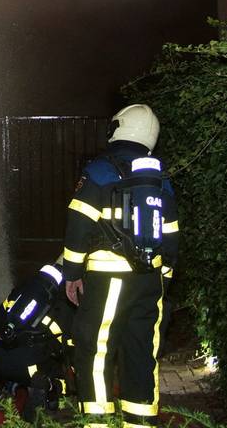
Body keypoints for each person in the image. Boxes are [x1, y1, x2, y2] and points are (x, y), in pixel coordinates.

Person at [60, 104, 179, 428]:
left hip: (109, 278)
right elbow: (171, 234)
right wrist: (164, 276)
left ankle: (98, 423)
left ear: (118, 128)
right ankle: (140, 423)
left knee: (95, 351)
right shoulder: (160, 178)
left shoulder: (100, 170)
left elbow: (79, 224)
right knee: (141, 352)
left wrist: (72, 274)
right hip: (150, 280)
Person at [0, 262, 75, 422]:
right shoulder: (66, 305)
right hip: (32, 369)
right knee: (63, 379)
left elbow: (0, 315)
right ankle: (46, 389)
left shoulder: (22, 292)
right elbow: (71, 348)